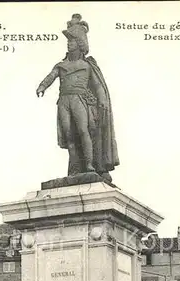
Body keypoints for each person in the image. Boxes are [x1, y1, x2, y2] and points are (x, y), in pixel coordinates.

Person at [36, 15, 119, 181]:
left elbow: (97, 86)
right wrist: (42, 86)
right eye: (68, 41)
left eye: (72, 41)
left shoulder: (87, 65)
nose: (69, 43)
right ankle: (74, 168)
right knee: (69, 135)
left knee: (83, 131)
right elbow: (50, 76)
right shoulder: (61, 65)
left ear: (80, 44)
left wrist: (102, 100)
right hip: (64, 101)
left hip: (80, 100)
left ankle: (89, 164)